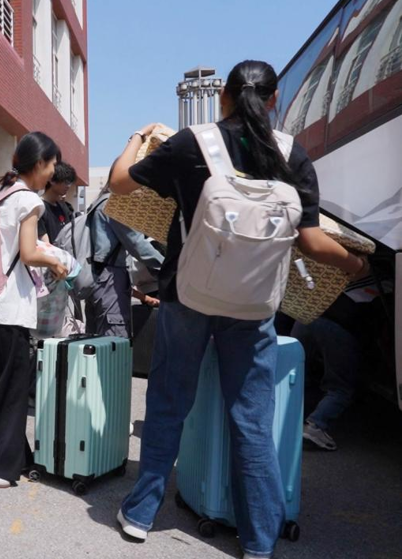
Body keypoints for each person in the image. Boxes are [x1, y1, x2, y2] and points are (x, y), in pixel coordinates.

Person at [108, 60, 370, 559]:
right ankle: (258, 539)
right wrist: (355, 264)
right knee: (251, 418)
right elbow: (312, 242)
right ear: (273, 101)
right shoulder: (291, 154)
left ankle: (140, 514)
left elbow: (120, 182)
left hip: (187, 295)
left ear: (222, 96)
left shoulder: (192, 143)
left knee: (168, 403)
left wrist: (136, 136)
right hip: (254, 304)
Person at [0, 132, 69, 488]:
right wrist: (55, 262)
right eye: (51, 165)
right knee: (10, 391)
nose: (52, 173)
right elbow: (29, 253)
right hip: (8, 309)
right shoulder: (28, 201)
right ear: (39, 164)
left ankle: (14, 456)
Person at [292, 271, 393, 450]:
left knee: (296, 377)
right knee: (340, 387)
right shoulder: (390, 291)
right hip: (339, 329)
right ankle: (316, 426)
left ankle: (284, 419)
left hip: (307, 316)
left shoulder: (355, 277)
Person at [85, 186, 163, 338]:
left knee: (94, 340)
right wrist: (169, 266)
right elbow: (137, 244)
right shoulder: (114, 206)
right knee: (114, 341)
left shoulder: (96, 204)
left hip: (95, 279)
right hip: (111, 281)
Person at [38, 161, 78, 244]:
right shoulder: (39, 207)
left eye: (70, 182)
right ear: (52, 180)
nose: (68, 186)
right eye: (66, 182)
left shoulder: (65, 207)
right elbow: (44, 242)